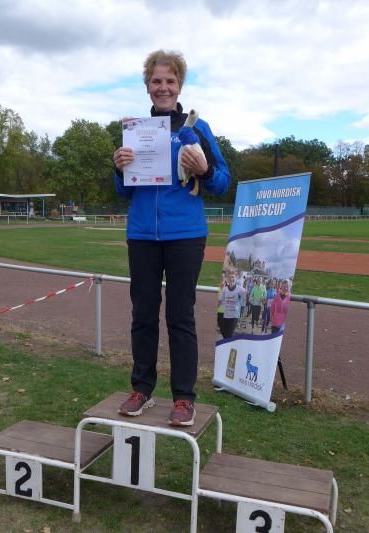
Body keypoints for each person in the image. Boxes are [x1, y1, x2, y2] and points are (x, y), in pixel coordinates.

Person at [113, 50, 230, 426]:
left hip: (186, 235)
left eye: (170, 81)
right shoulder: (136, 131)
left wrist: (206, 170)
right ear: (147, 86)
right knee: (143, 314)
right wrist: (119, 169)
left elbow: (223, 182)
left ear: (180, 86)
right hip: (142, 235)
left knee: (180, 316)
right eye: (156, 81)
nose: (163, 87)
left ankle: (183, 397)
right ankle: (142, 389)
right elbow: (124, 191)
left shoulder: (197, 128)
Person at [217, 272, 245, 339]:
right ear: (228, 279)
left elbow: (246, 297)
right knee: (225, 335)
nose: (231, 279)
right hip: (226, 315)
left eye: (233, 277)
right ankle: (229, 344)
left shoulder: (240, 289)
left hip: (235, 315)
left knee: (230, 335)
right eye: (230, 277)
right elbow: (220, 300)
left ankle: (231, 344)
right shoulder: (225, 289)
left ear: (236, 279)